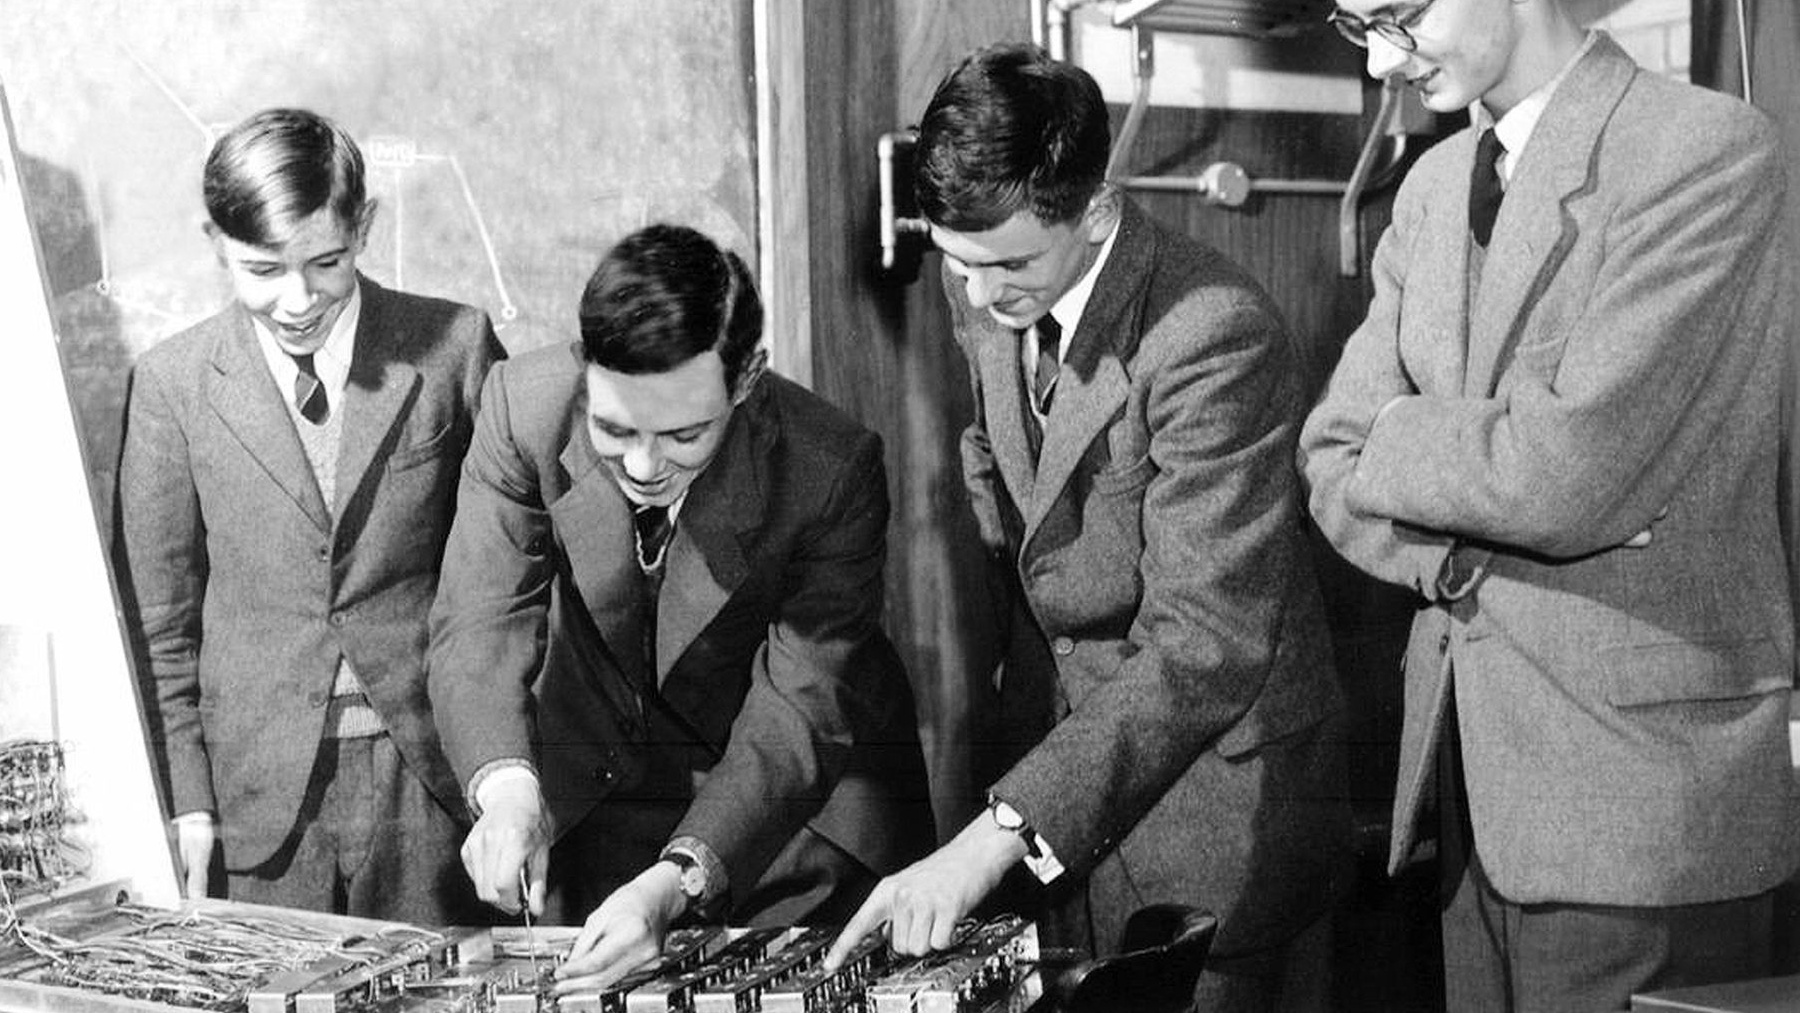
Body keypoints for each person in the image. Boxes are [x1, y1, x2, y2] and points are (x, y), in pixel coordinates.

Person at [826, 43, 1348, 1012]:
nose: (981, 297)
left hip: (1216, 822)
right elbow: (1009, 484)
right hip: (1060, 806)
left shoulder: (1213, 332)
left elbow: (1205, 640)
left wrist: (995, 835)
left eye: (1009, 265)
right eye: (959, 265)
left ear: (1097, 210)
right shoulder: (989, 277)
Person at [1297, 0, 1798, 1008]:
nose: (1383, 62)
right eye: (1358, 25)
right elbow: (1329, 454)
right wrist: (1462, 542)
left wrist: (1410, 437)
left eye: (1399, 15)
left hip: (1645, 817)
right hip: (1466, 801)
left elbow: (1564, 472)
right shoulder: (1433, 185)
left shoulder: (1705, 150)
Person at [426, 223, 930, 994]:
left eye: (684, 434)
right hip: (604, 800)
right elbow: (480, 617)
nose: (643, 465)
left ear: (746, 379)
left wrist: (677, 880)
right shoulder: (522, 407)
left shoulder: (829, 467)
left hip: (795, 820)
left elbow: (799, 708)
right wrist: (508, 791)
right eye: (614, 428)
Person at [115, 107, 505, 923]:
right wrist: (187, 799)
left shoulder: (455, 347)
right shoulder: (171, 384)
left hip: (431, 782)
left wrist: (508, 776)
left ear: (365, 227)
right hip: (256, 804)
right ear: (215, 243)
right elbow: (160, 624)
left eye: (326, 262)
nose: (298, 300)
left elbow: (513, 581)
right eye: (262, 270)